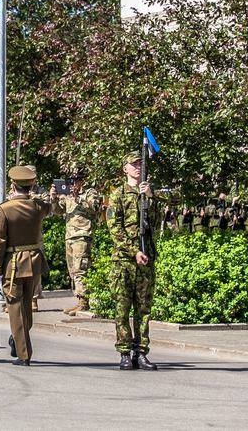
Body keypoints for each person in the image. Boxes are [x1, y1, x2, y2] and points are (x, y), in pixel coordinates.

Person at [0, 165, 51, 366]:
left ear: (13, 184)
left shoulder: (4, 209)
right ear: (31, 185)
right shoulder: (38, 206)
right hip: (34, 262)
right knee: (26, 307)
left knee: (15, 309)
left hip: (13, 264)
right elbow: (51, 207)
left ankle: (23, 354)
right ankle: (19, 339)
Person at [108, 151, 161, 371]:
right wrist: (133, 251)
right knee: (122, 309)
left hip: (145, 259)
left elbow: (156, 223)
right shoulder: (118, 194)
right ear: (125, 168)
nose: (138, 167)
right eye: (134, 164)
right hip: (124, 261)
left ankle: (141, 352)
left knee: (143, 309)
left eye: (140, 163)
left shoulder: (147, 193)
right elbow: (114, 228)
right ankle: (124, 352)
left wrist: (150, 197)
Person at [50, 167, 102, 316]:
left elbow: (95, 207)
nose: (72, 183)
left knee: (80, 269)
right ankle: (79, 300)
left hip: (82, 235)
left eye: (76, 180)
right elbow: (58, 211)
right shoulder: (67, 195)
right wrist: (53, 198)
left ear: (82, 180)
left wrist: (78, 197)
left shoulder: (89, 193)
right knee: (73, 270)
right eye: (70, 180)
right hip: (70, 236)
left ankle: (84, 302)